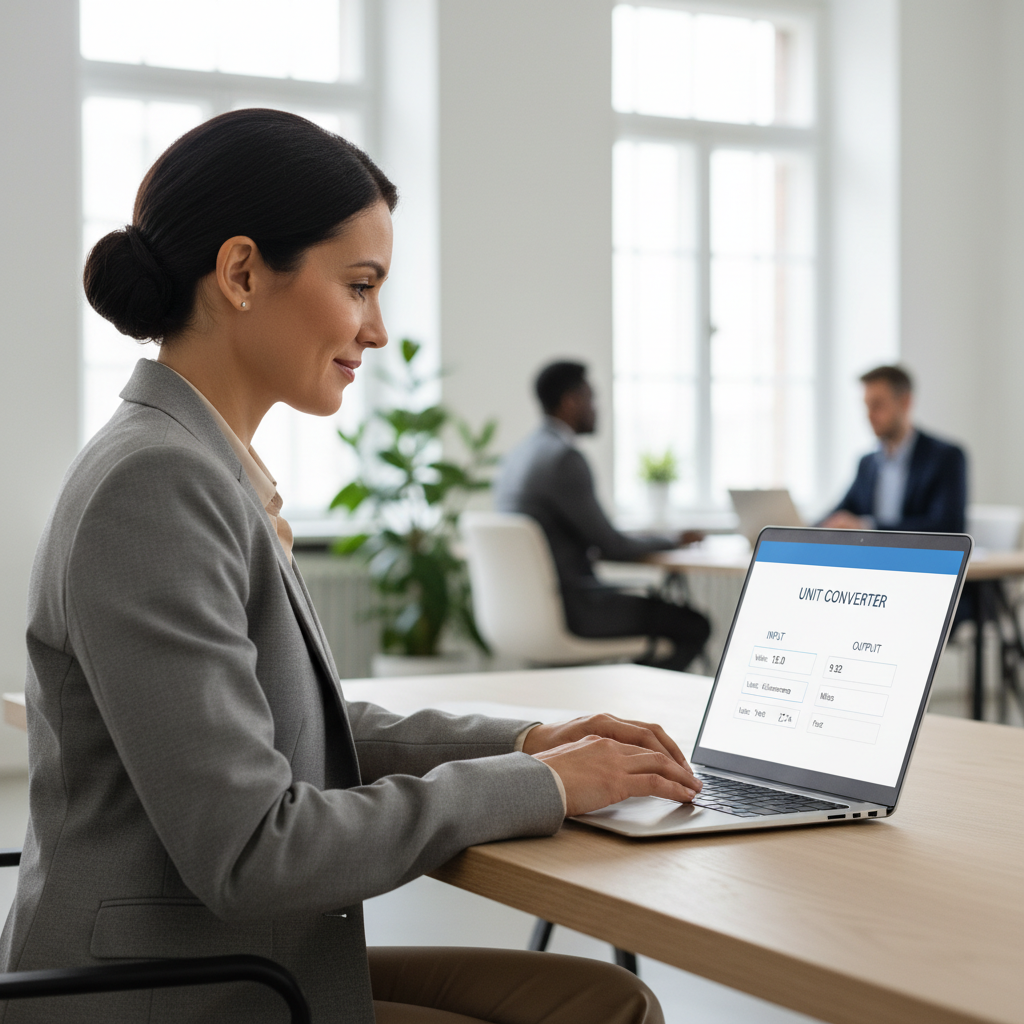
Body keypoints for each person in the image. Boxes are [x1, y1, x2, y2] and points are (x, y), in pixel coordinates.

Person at [0, 110, 702, 1024]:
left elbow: (300, 727)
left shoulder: (189, 462)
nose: (375, 331)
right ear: (242, 273)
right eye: (360, 285)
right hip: (166, 991)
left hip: (227, 959)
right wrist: (545, 787)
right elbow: (254, 850)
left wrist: (530, 746)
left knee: (601, 998)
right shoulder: (158, 485)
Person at [495, 361, 710, 672]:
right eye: (591, 398)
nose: (597, 408)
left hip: (528, 610)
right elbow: (612, 545)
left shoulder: (518, 456)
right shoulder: (563, 458)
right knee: (695, 625)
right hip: (577, 608)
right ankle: (639, 712)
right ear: (571, 401)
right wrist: (675, 538)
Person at [822, 365, 967, 533]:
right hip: (870, 558)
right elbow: (840, 513)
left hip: (919, 557)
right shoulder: (868, 463)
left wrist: (868, 527)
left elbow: (947, 526)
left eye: (877, 405)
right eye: (866, 406)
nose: (869, 415)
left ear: (905, 402)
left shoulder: (945, 458)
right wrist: (800, 528)